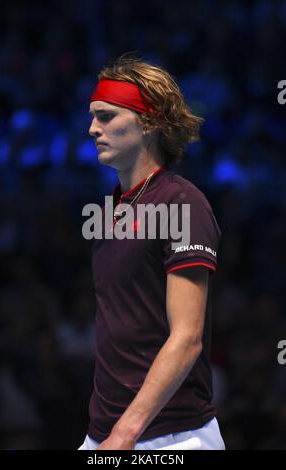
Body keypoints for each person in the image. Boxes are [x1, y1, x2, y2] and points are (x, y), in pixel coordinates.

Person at [79, 55, 225, 450]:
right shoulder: (112, 210)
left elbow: (187, 338)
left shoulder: (183, 203)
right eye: (93, 116)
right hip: (107, 433)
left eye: (106, 116)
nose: (93, 129)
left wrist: (125, 435)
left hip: (172, 439)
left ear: (149, 123)